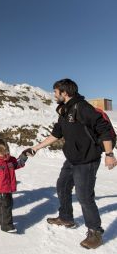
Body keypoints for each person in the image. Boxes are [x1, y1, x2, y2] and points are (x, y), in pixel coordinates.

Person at [22, 78, 117, 249]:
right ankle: (66, 217)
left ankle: (95, 232)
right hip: (72, 159)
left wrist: (109, 153)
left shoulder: (82, 107)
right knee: (62, 186)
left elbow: (103, 128)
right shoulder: (65, 111)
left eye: (56, 91)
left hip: (87, 161)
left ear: (64, 93)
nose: (54, 94)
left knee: (84, 197)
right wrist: (35, 148)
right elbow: (56, 134)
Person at [0, 138, 27, 233]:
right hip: (0, 188)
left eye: (6, 152)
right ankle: (6, 225)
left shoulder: (10, 159)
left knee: (6, 204)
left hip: (8, 187)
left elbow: (18, 164)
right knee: (6, 206)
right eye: (2, 153)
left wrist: (24, 156)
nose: (5, 155)